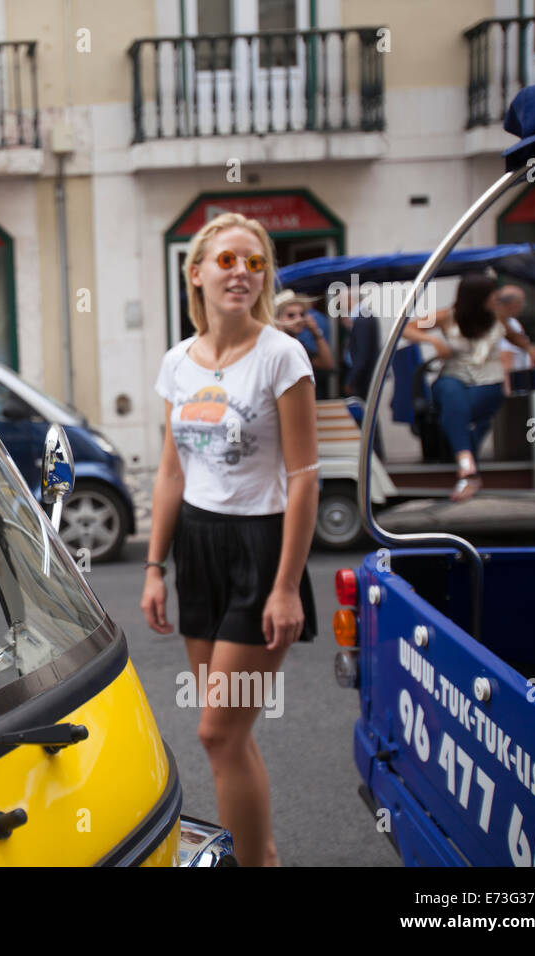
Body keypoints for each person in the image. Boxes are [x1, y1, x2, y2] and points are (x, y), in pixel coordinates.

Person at [140, 212, 319, 868]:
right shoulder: (176, 364)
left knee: (217, 729)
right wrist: (156, 566)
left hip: (261, 547)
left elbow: (304, 478)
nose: (241, 271)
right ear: (196, 273)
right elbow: (170, 470)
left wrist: (285, 587)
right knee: (229, 737)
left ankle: (255, 861)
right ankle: (259, 857)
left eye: (254, 262)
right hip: (198, 545)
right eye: (226, 261)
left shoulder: (281, 355)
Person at [403, 273, 535, 501]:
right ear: (478, 297)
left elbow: (516, 338)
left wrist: (532, 350)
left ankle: (467, 472)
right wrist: (434, 342)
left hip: (489, 382)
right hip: (453, 377)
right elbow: (407, 328)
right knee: (451, 392)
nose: (497, 298)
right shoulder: (446, 316)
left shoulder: (498, 317)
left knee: (455, 413)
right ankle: (468, 467)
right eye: (493, 294)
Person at [275, 289, 335, 376]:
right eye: (291, 315)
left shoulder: (298, 345)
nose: (299, 319)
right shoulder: (273, 345)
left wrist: (316, 332)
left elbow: (327, 364)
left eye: (302, 314)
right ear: (277, 318)